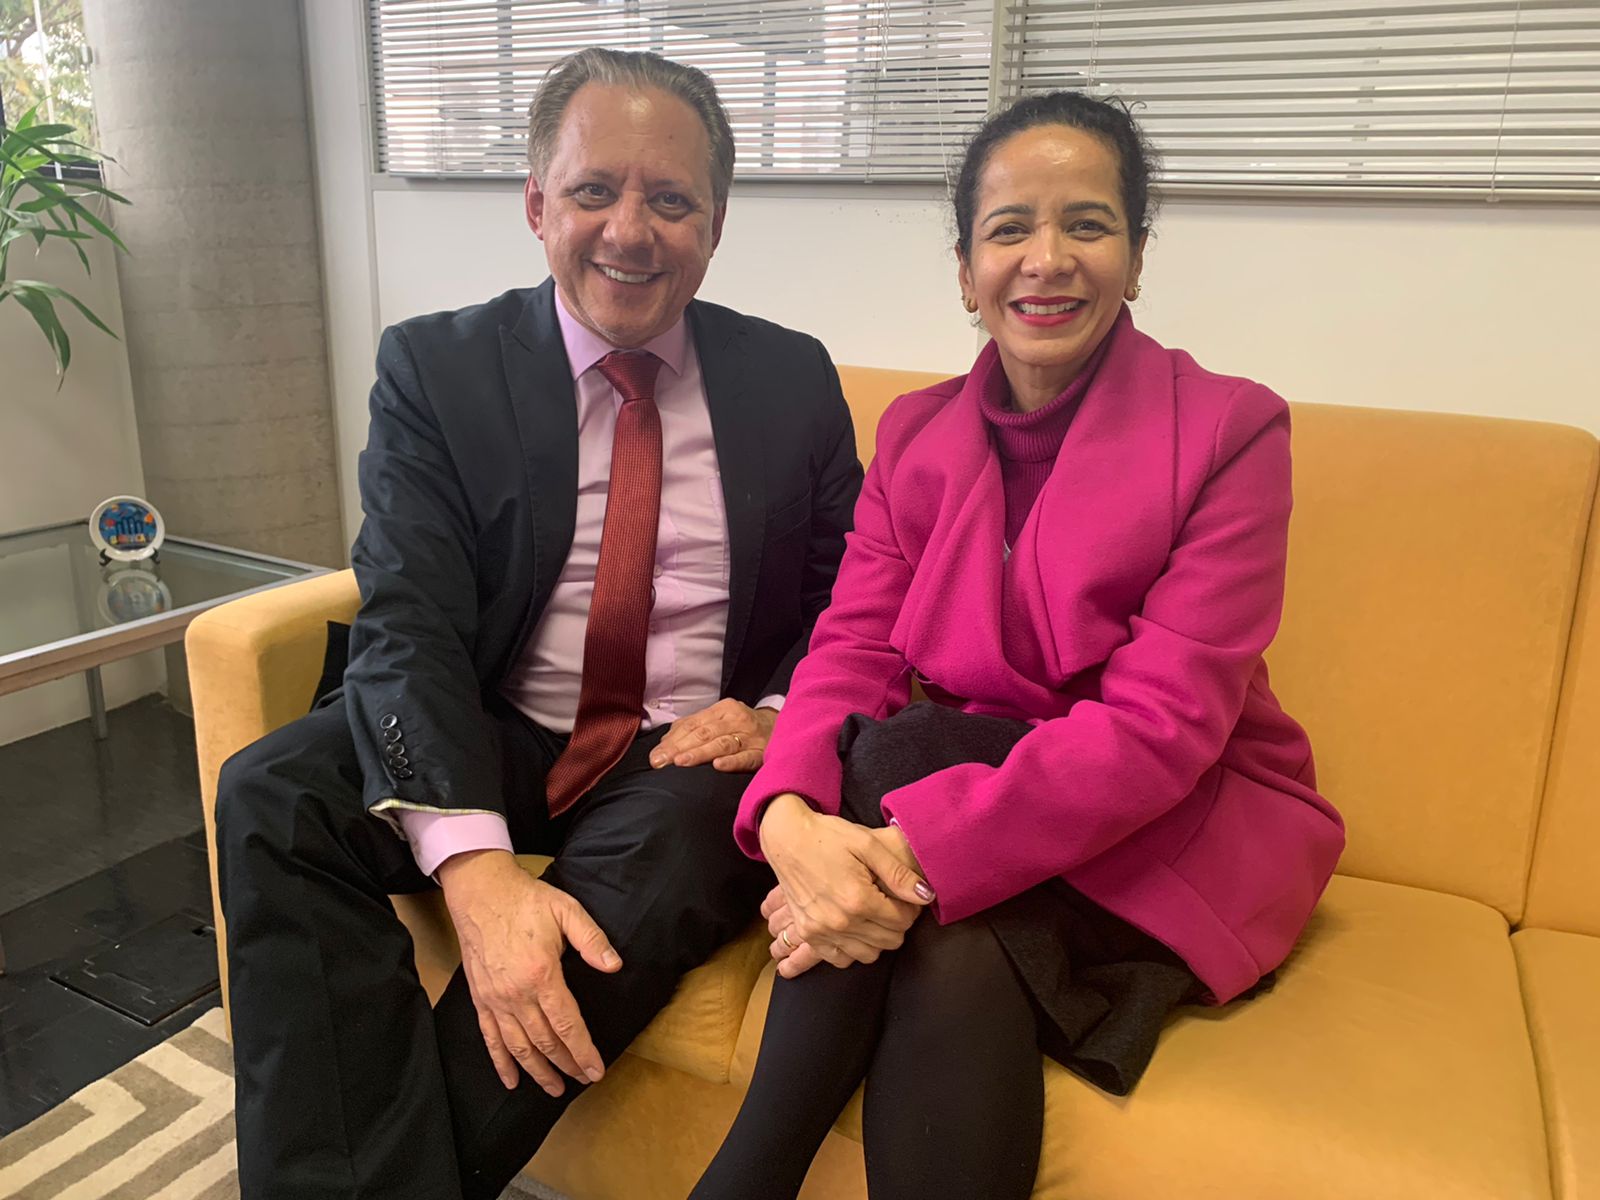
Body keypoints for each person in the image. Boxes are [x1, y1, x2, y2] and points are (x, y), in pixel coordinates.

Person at [213, 48, 866, 1200]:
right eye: (593, 190)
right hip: (498, 721)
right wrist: (475, 873)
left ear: (715, 224)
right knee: (272, 794)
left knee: (672, 856)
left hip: (684, 751)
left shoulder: (790, 379)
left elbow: (849, 596)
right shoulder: (436, 368)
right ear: (535, 204)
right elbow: (408, 615)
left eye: (671, 200)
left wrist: (776, 715)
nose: (630, 231)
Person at [689, 92, 1347, 1200]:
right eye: (1009, 230)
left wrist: (901, 853)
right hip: (968, 811)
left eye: (1088, 224)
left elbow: (1160, 730)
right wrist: (794, 820)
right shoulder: (915, 433)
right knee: (949, 925)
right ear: (966, 270)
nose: (1047, 260)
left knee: (903, 766)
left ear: (1136, 257)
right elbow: (850, 649)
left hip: (1171, 823)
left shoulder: (1231, 430)